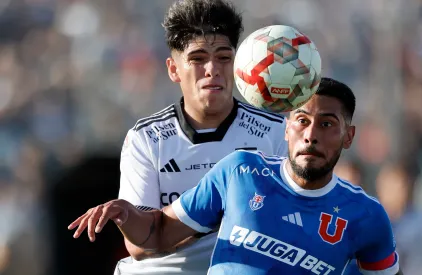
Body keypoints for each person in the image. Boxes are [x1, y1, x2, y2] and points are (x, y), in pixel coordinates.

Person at [69, 78, 403, 275]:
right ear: (286, 128)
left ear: (349, 136)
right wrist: (126, 213)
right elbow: (157, 234)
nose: (311, 134)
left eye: (327, 124)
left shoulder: (367, 215)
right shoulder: (240, 171)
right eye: (302, 120)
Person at [114, 0, 288, 273]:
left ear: (237, 64)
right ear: (173, 69)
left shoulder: (276, 131)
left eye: (223, 57)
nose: (212, 70)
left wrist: (178, 226)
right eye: (197, 59)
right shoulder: (146, 139)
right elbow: (140, 246)